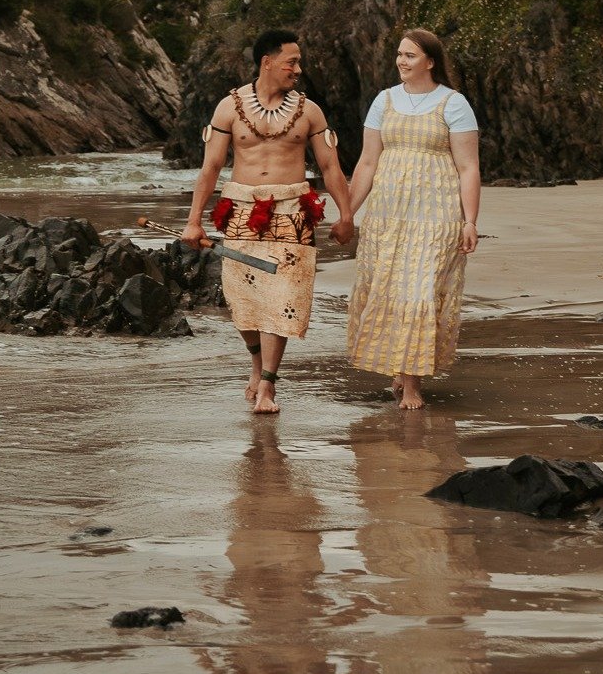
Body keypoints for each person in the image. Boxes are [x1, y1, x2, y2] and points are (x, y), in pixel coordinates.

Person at [183, 29, 355, 414]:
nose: (298, 69)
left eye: (298, 61)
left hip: (293, 212)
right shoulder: (228, 109)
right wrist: (193, 220)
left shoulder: (310, 112)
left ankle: (268, 385)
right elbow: (210, 167)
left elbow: (331, 167)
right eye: (291, 61)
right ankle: (257, 363)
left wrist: (347, 216)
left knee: (284, 299)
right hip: (241, 210)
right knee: (242, 300)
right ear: (267, 62)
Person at [344, 29, 480, 411]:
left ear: (430, 62)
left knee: (419, 292)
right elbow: (368, 162)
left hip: (436, 213)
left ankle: (411, 385)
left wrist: (470, 221)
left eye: (410, 55)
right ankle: (401, 370)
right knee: (390, 290)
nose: (402, 61)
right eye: (399, 54)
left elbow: (469, 167)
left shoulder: (453, 104)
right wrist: (348, 213)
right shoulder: (383, 101)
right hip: (387, 213)